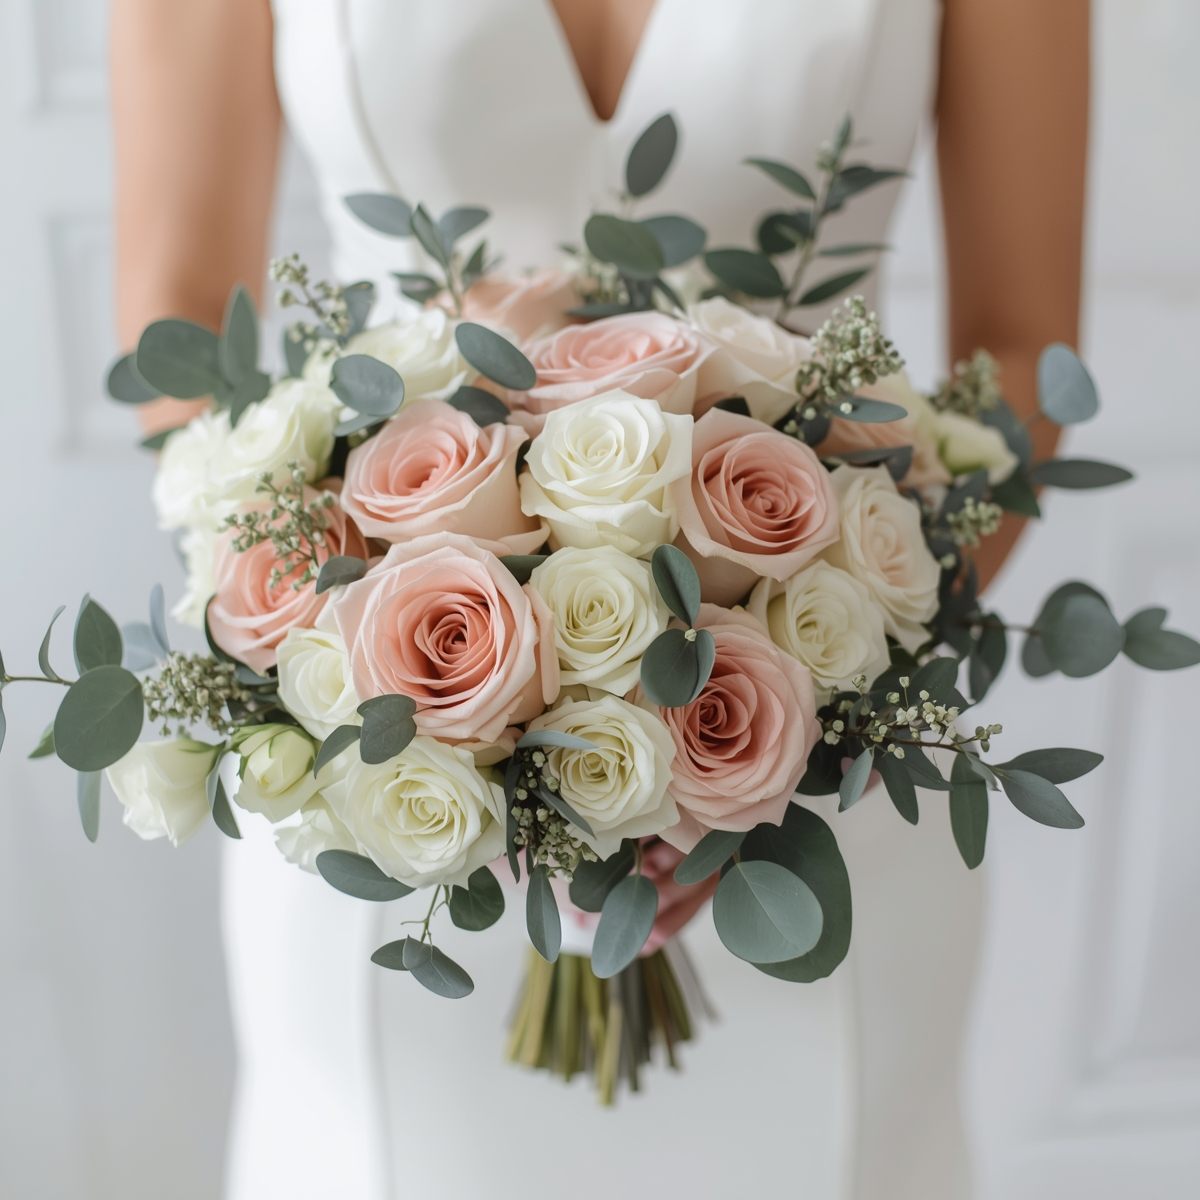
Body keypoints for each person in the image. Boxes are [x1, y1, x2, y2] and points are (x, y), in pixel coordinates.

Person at [112, 2, 1088, 1197]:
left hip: (817, 774)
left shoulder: (815, 731)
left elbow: (1024, 352)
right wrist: (414, 696)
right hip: (385, 792)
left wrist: (804, 705)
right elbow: (178, 317)